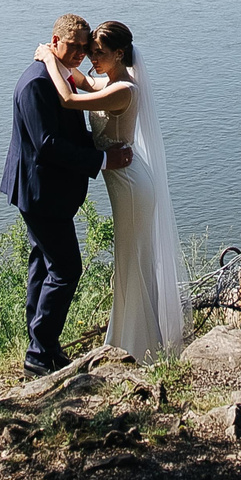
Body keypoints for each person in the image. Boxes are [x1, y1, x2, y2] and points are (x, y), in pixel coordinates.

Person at [32, 18, 187, 363]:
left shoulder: (124, 90)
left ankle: (138, 347)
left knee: (132, 263)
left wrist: (46, 57)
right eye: (89, 52)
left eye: (98, 53)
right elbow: (83, 81)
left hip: (132, 186)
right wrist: (57, 57)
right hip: (127, 183)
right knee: (129, 262)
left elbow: (70, 98)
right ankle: (136, 340)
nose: (91, 59)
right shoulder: (110, 81)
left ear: (119, 54)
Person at [0, 13, 131, 377]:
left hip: (49, 191)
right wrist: (104, 158)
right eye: (71, 46)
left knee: (44, 264)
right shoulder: (37, 85)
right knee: (66, 267)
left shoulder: (58, 75)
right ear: (54, 42)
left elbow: (72, 114)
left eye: (83, 47)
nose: (78, 54)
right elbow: (47, 145)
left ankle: (42, 346)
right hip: (40, 193)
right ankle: (40, 354)